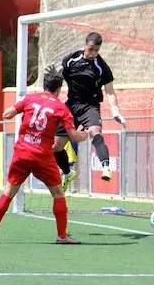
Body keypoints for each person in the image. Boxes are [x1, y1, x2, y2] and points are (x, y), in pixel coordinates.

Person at [0, 66, 88, 244]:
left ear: (44, 86)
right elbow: (73, 135)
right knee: (58, 193)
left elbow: (7, 114)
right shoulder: (60, 108)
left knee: (9, 191)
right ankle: (62, 236)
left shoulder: (30, 99)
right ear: (58, 89)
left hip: (22, 153)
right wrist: (85, 135)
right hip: (42, 156)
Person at [54, 32, 127, 186]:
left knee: (95, 132)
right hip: (72, 105)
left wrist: (115, 109)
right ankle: (67, 173)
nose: (93, 53)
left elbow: (110, 91)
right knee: (56, 146)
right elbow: (59, 79)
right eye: (91, 49)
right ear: (85, 45)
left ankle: (106, 167)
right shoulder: (71, 60)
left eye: (96, 50)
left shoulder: (102, 67)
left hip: (90, 106)